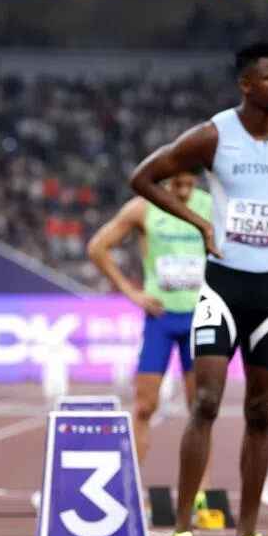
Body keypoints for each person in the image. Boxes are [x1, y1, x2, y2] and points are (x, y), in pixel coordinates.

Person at [129, 41, 268, 536]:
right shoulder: (213, 134)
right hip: (223, 287)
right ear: (246, 84)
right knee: (205, 402)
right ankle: (183, 531)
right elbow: (142, 178)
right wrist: (201, 223)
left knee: (262, 411)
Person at [86, 166, 214, 508]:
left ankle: (199, 491)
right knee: (144, 405)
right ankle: (128, 486)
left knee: (200, 408)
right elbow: (98, 247)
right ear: (164, 181)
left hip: (199, 318)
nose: (184, 192)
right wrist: (132, 293)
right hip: (160, 318)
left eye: (189, 184)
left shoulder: (211, 206)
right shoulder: (144, 207)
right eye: (177, 184)